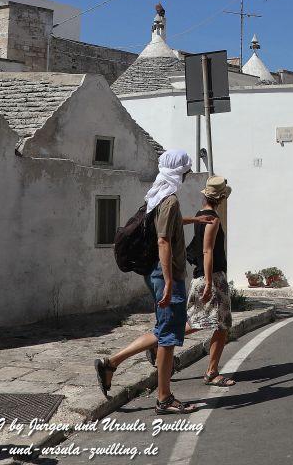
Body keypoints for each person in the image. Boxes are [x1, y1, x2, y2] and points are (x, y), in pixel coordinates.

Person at [95, 149, 213, 414]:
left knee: (164, 329)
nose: (187, 175)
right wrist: (171, 281)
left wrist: (193, 219)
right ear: (179, 172)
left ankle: (110, 363)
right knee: (169, 336)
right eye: (186, 171)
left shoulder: (157, 196)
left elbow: (165, 225)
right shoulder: (169, 199)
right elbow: (163, 239)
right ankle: (164, 398)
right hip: (165, 274)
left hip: (155, 272)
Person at [185, 175, 235, 387]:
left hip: (204, 275)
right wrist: (209, 282)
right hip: (212, 276)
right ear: (221, 198)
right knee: (222, 324)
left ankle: (157, 342)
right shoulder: (213, 219)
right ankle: (212, 372)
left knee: (197, 321)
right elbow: (207, 250)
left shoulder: (200, 215)